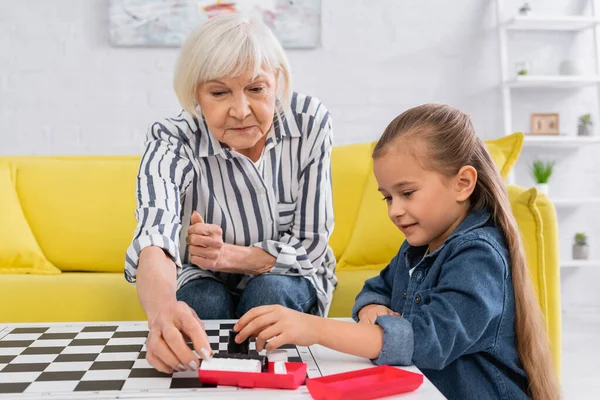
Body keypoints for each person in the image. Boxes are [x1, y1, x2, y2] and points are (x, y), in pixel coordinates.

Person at [234, 104, 561, 400]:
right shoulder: (420, 247)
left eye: (407, 193)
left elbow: (428, 342)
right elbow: (378, 287)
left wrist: (315, 328)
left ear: (462, 183)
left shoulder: (478, 257)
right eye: (388, 197)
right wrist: (373, 308)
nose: (395, 210)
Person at [124, 13, 336, 374]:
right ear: (196, 95)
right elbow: (154, 234)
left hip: (291, 275)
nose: (241, 111)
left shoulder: (310, 122)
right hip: (202, 277)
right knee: (203, 302)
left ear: (277, 82)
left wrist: (229, 256)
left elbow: (311, 245)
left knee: (266, 298)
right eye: (219, 92)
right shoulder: (171, 138)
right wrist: (161, 313)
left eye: (256, 89)